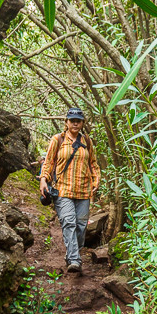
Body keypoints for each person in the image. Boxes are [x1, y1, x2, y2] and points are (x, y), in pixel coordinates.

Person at [39, 107, 101, 274]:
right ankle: (74, 259)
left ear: (82, 123)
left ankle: (72, 253)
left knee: (81, 226)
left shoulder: (87, 141)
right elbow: (49, 162)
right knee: (68, 221)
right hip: (63, 190)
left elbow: (93, 163)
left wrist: (96, 179)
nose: (75, 123)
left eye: (78, 121)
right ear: (66, 122)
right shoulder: (58, 140)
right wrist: (43, 179)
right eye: (72, 120)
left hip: (83, 190)